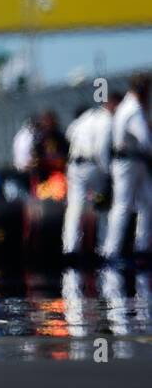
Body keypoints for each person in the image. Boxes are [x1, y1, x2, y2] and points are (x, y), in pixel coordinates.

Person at [101, 73, 151, 265]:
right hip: (129, 162)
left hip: (131, 162)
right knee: (123, 206)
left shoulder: (126, 106)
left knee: (147, 201)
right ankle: (112, 252)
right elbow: (145, 140)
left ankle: (141, 248)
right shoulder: (134, 109)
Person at [63, 98, 116, 261]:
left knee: (74, 207)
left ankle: (70, 249)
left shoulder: (85, 117)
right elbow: (101, 150)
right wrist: (107, 173)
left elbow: (68, 133)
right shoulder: (106, 120)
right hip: (92, 166)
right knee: (103, 206)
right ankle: (103, 248)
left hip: (74, 165)